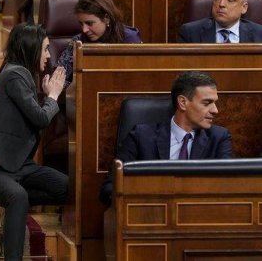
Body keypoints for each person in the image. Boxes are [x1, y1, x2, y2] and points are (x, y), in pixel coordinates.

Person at [0, 23, 68, 261]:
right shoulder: (15, 74)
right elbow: (41, 118)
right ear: (32, 48)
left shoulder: (22, 75)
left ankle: (14, 203)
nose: (48, 56)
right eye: (46, 49)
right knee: (18, 197)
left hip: (18, 167)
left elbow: (33, 118)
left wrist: (46, 97)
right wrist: (53, 96)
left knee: (68, 188)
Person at [99, 71, 232, 205]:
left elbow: (229, 187)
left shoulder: (219, 138)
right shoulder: (141, 136)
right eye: (207, 103)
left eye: (214, 103)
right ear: (182, 102)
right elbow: (109, 189)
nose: (215, 110)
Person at [57, 0, 142, 86]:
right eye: (81, 24)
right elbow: (58, 80)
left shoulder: (130, 39)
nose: (84, 30)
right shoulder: (78, 41)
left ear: (106, 18)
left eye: (89, 23)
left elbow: (139, 79)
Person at [178, 0, 262, 43]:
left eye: (230, 0)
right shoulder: (189, 33)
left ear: (244, 7)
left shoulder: (259, 34)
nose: (221, 4)